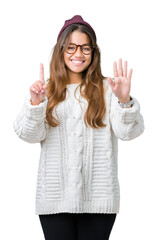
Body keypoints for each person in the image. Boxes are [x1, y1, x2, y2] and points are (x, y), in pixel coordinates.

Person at [13, 15, 145, 240]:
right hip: (54, 201)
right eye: (71, 47)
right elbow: (28, 135)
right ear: (61, 50)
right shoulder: (46, 90)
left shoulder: (108, 88)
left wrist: (124, 100)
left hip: (98, 200)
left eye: (85, 48)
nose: (78, 54)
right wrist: (36, 104)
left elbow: (129, 132)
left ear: (93, 52)